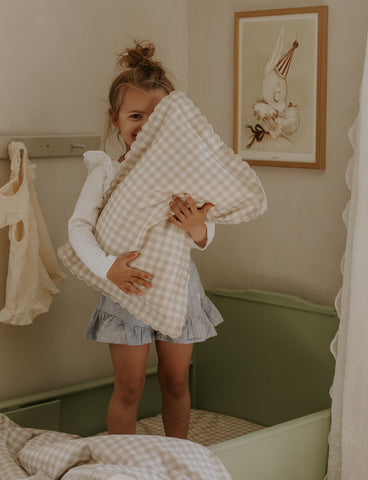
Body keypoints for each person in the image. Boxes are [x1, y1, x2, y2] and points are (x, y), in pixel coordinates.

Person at [68, 41, 223, 438]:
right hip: (126, 289)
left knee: (175, 382)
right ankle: (123, 463)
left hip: (177, 288)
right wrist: (108, 268)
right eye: (136, 116)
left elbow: (205, 233)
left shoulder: (186, 177)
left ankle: (178, 456)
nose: (146, 125)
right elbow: (78, 228)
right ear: (115, 119)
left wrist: (196, 229)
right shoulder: (105, 173)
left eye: (157, 118)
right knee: (130, 386)